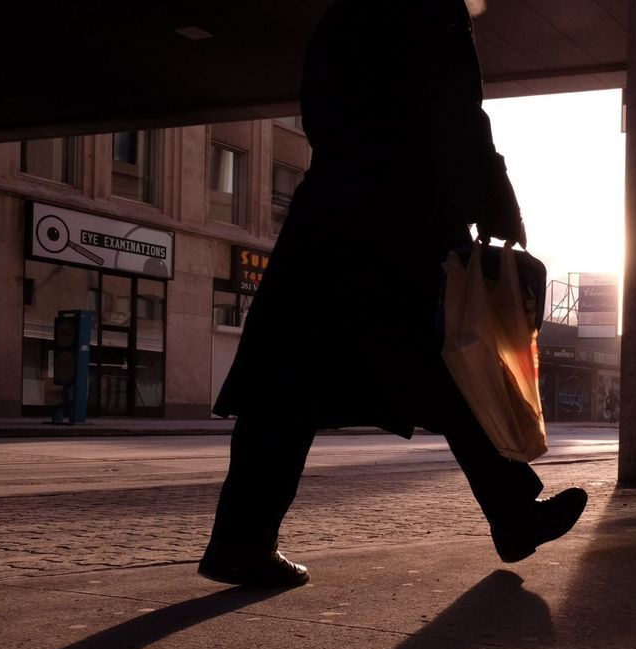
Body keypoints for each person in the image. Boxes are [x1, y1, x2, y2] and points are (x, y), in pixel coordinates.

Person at [199, 0, 586, 588]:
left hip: (332, 214)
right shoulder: (431, 10)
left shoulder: (342, 14)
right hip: (404, 220)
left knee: (288, 382)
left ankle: (240, 541)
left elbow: (329, 111)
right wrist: (494, 197)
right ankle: (512, 515)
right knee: (455, 360)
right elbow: (458, 112)